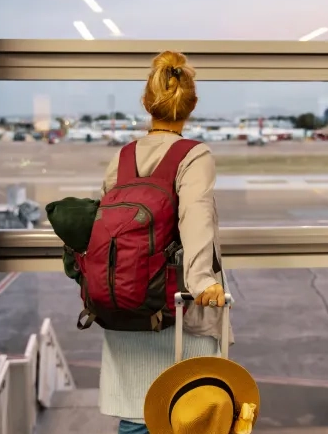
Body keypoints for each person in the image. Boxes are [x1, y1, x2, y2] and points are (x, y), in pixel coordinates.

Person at [98, 50, 231, 434]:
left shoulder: (121, 157)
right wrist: (203, 281)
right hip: (179, 310)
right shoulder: (193, 155)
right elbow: (196, 217)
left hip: (126, 306)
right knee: (192, 413)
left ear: (146, 102)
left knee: (137, 418)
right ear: (191, 105)